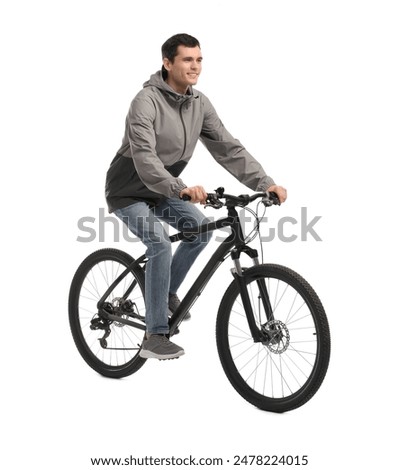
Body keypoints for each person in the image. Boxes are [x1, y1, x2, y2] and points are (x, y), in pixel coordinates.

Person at [105, 33, 287, 360]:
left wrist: (265, 183)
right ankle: (155, 335)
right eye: (187, 59)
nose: (195, 66)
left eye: (199, 59)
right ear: (167, 63)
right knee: (159, 242)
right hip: (128, 188)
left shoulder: (198, 103)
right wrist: (181, 188)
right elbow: (145, 159)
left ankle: (164, 293)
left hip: (164, 188)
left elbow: (228, 148)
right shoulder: (144, 102)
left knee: (199, 231)